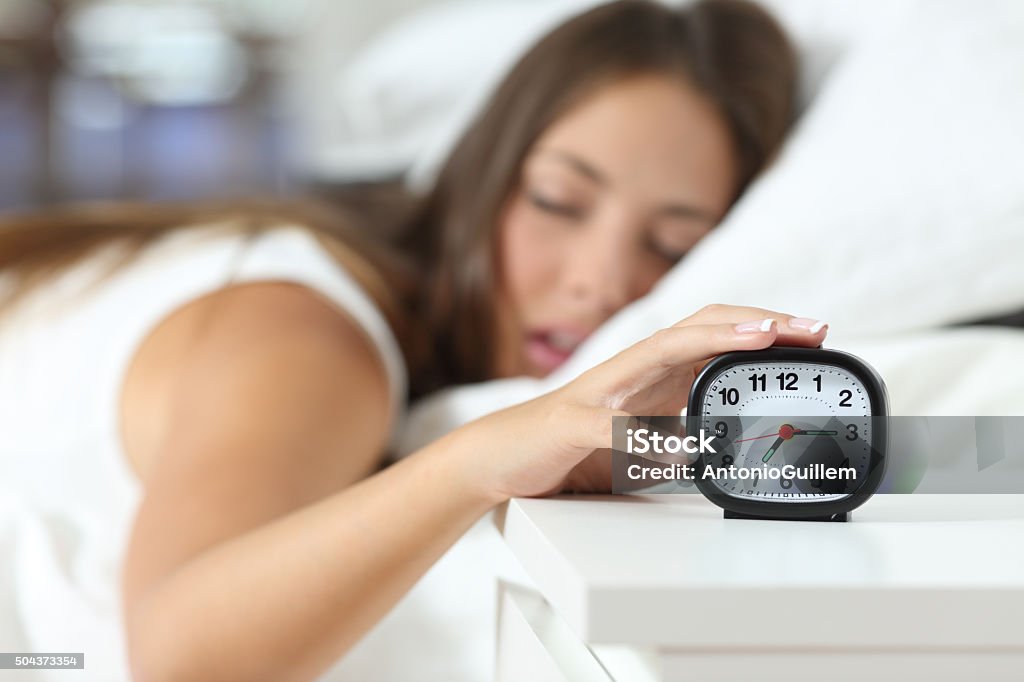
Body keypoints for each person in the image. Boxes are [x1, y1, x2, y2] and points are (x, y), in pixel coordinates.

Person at [0, 1, 818, 679]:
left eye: (673, 246)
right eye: (558, 200)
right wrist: (479, 458)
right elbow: (180, 661)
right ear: (482, 173)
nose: (600, 279)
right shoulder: (309, 339)